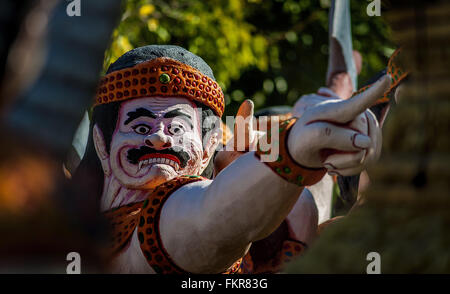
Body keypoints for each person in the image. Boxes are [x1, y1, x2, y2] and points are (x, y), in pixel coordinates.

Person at [76, 44, 389, 273]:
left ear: (209, 144)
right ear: (101, 144)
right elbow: (201, 219)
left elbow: (307, 205)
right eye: (141, 126)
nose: (159, 137)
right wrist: (292, 148)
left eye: (177, 127)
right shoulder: (121, 236)